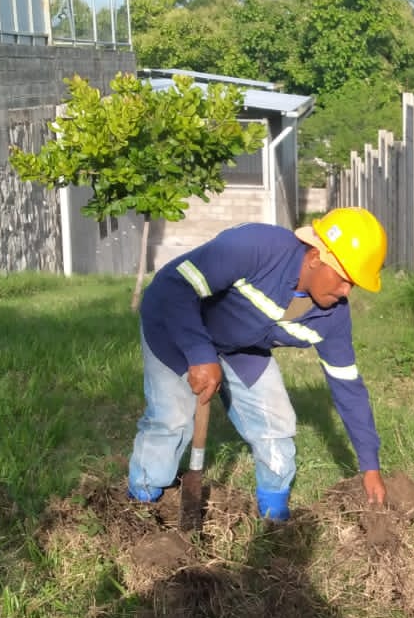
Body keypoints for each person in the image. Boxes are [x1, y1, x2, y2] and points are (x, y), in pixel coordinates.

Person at [128, 208, 388, 519]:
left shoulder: (332, 318)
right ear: (316, 257)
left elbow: (349, 388)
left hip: (239, 347)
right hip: (174, 322)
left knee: (277, 423)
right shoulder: (257, 246)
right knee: (172, 420)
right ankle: (141, 502)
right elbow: (174, 286)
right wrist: (199, 353)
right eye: (344, 278)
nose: (346, 291)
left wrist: (370, 465)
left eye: (354, 284)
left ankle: (274, 518)